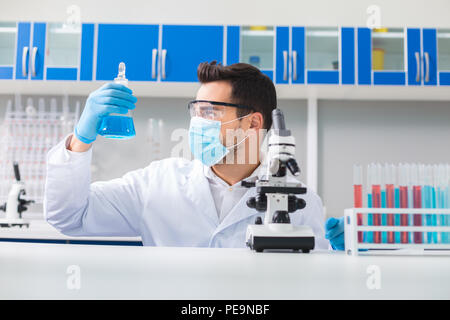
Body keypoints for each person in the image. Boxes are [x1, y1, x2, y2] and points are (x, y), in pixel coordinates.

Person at [44, 61, 339, 250]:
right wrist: (81, 140)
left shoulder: (299, 202)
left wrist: (339, 259)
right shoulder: (157, 183)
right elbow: (69, 217)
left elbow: (308, 284)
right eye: (196, 110)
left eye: (210, 111)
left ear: (253, 123)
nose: (197, 122)